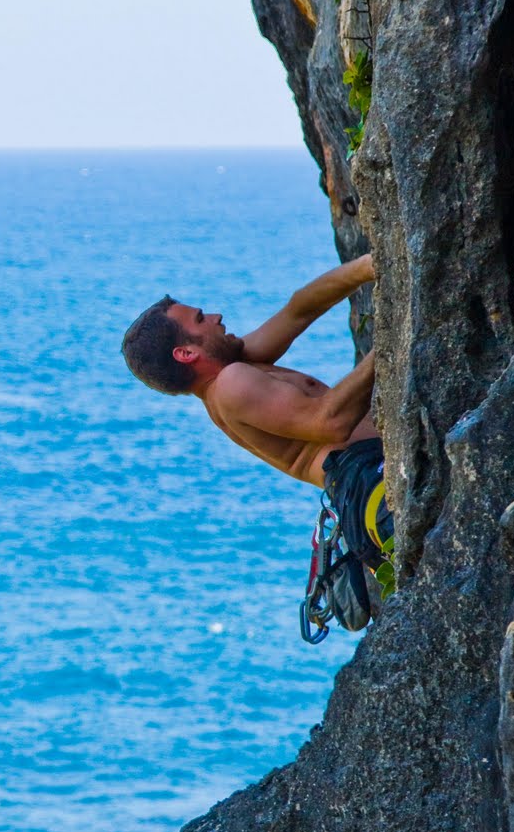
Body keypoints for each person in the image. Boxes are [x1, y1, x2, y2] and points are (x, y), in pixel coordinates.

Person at [120, 254, 393, 619]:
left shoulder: (234, 366)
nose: (216, 317)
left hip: (366, 482)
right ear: (187, 353)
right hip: (368, 483)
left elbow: (298, 309)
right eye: (201, 320)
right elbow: (331, 421)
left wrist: (369, 266)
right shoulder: (231, 385)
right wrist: (393, 337)